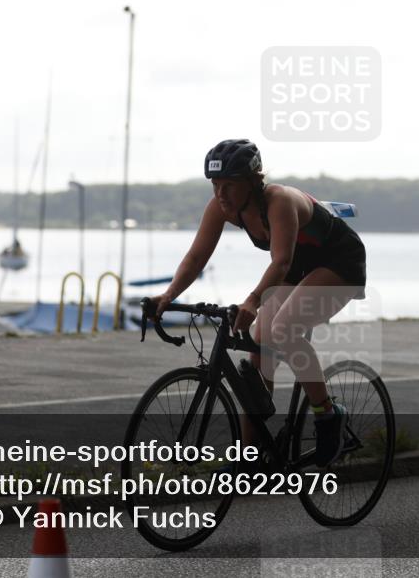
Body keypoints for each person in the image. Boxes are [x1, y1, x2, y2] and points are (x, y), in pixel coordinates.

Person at [150, 139, 367, 468]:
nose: (221, 194)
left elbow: (280, 262)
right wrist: (169, 296)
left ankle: (328, 414)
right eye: (215, 185)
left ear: (253, 181)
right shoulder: (221, 207)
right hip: (298, 268)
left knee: (284, 329)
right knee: (258, 357)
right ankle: (249, 459)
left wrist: (252, 301)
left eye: (229, 185)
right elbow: (195, 258)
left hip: (339, 262)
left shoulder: (279, 201)